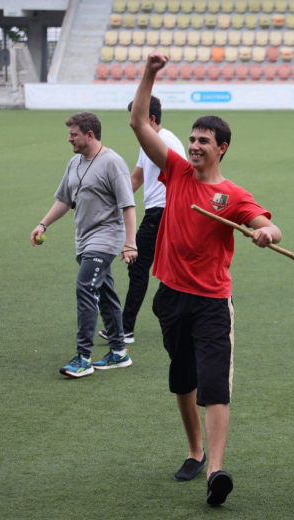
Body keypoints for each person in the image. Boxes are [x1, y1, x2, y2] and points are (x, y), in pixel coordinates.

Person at [129, 50, 282, 506]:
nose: (194, 146)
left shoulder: (231, 195)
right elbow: (139, 122)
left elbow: (267, 224)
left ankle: (217, 470)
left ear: (222, 148)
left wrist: (267, 234)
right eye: (192, 138)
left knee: (213, 383)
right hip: (171, 296)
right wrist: (149, 75)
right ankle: (194, 452)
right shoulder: (174, 169)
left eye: (203, 141)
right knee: (182, 379)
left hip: (212, 302)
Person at [30, 112, 137, 378]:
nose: (69, 139)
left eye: (73, 134)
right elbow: (65, 200)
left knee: (85, 287)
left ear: (90, 134)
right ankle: (119, 351)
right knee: (106, 293)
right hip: (84, 239)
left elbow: (128, 205)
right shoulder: (74, 162)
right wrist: (43, 224)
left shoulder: (113, 163)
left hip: (106, 238)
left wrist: (130, 243)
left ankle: (83, 357)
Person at [97, 96, 186, 346]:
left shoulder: (165, 141)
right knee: (159, 267)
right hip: (158, 213)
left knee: (139, 265)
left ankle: (126, 328)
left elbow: (184, 176)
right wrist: (112, 205)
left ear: (152, 119)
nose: (131, 123)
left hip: (165, 212)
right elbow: (135, 178)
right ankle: (130, 326)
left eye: (136, 117)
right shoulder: (148, 143)